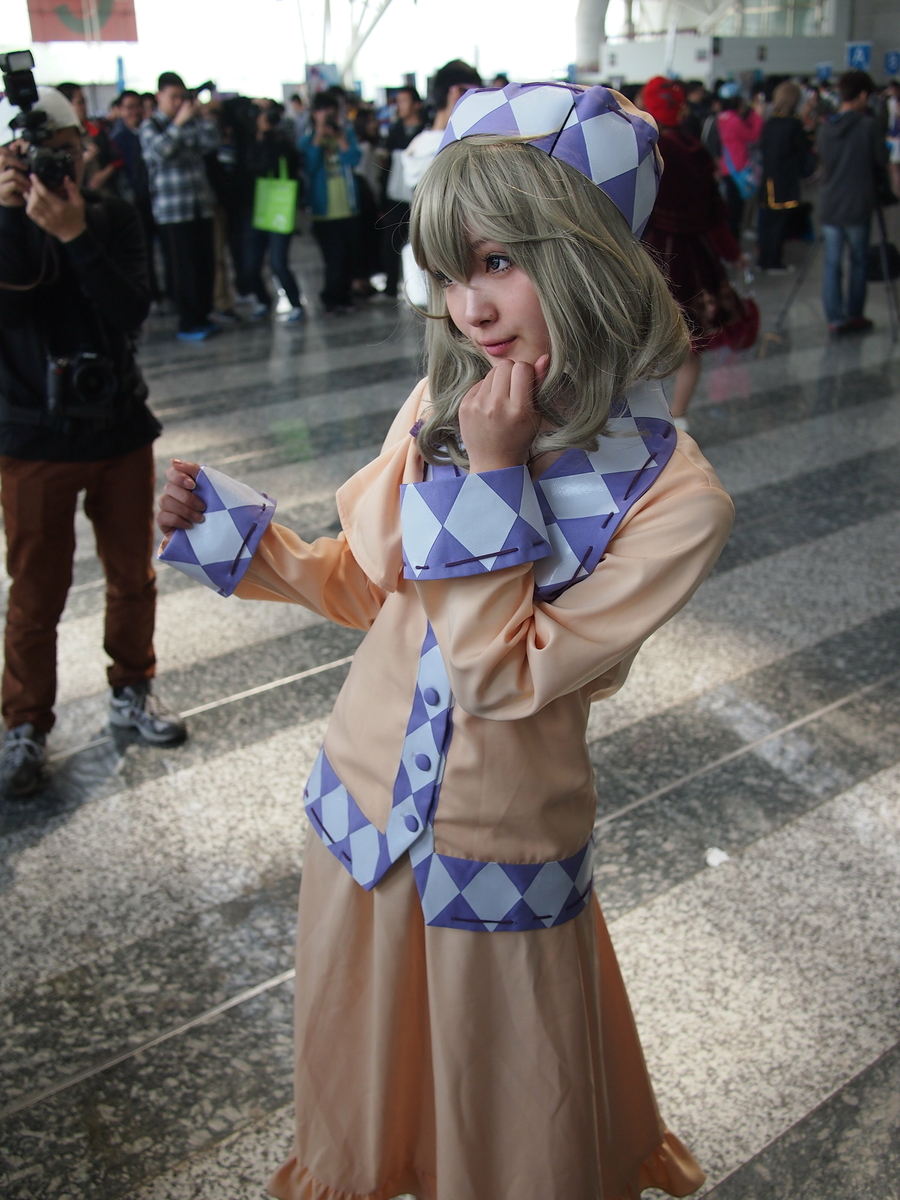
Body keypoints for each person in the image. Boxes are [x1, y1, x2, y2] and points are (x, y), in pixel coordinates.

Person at [158, 81, 733, 1200]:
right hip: (362, 811)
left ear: (589, 256)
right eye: (451, 268)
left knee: (513, 1115)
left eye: (501, 260)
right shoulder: (442, 406)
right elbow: (366, 585)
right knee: (360, 1101)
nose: (471, 307)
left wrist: (496, 474)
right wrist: (222, 526)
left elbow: (499, 672)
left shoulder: (674, 499)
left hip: (499, 840)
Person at [0, 87, 185, 796]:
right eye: (38, 153)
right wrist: (11, 216)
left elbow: (132, 309)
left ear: (82, 146)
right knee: (35, 593)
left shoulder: (110, 215)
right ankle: (24, 724)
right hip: (32, 435)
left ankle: (132, 688)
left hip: (118, 427)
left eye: (66, 149)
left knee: (133, 574)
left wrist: (76, 234)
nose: (57, 164)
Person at [641, 76, 743, 432]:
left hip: (651, 254)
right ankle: (679, 416)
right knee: (691, 343)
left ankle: (638, 416)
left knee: (638, 337)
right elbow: (716, 213)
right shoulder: (694, 149)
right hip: (695, 257)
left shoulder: (645, 149)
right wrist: (732, 252)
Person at [140, 71, 220, 341]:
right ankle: (187, 321)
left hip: (199, 204)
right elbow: (160, 152)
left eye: (181, 97)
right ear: (159, 96)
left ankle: (203, 315)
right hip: (172, 211)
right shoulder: (152, 125)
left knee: (204, 265)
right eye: (173, 97)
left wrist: (203, 116)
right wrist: (179, 122)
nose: (178, 102)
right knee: (182, 269)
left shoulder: (192, 120)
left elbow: (210, 143)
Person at [816, 69, 889, 335]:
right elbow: (881, 160)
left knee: (831, 263)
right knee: (858, 261)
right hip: (858, 203)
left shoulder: (825, 127)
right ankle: (855, 314)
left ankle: (834, 318)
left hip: (830, 203)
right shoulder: (869, 127)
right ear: (862, 95)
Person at [242, 102, 305, 322]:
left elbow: (289, 164)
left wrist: (269, 136)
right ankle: (263, 300)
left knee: (278, 262)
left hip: (279, 207)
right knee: (250, 266)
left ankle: (296, 304)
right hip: (253, 209)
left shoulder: (281, 142)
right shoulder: (246, 142)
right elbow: (248, 169)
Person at [299, 91, 361, 314]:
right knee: (333, 257)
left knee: (348, 255)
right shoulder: (307, 140)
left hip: (347, 207)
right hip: (323, 210)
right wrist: (318, 136)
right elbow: (308, 166)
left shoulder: (346, 134)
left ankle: (344, 295)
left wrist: (340, 137)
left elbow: (354, 158)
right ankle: (332, 298)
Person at [757, 81, 816, 272]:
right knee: (778, 223)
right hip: (784, 179)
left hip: (768, 178)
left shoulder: (770, 122)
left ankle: (764, 259)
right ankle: (773, 261)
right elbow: (802, 150)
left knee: (768, 221)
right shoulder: (793, 124)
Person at [109, 89, 162, 301]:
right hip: (134, 202)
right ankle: (151, 293)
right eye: (129, 107)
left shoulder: (150, 131)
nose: (135, 112)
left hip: (155, 198)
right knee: (144, 250)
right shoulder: (117, 138)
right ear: (120, 110)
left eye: (138, 106)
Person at [380, 85, 425, 297]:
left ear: (416, 104)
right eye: (398, 101)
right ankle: (391, 285)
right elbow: (386, 167)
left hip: (420, 198)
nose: (399, 106)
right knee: (390, 243)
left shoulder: (426, 133)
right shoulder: (394, 132)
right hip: (396, 197)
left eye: (404, 101)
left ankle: (425, 289)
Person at [716, 82, 764, 239]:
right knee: (735, 211)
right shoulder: (734, 120)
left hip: (727, 167)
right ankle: (733, 245)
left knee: (732, 208)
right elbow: (753, 136)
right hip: (737, 167)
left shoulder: (723, 118)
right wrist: (758, 116)